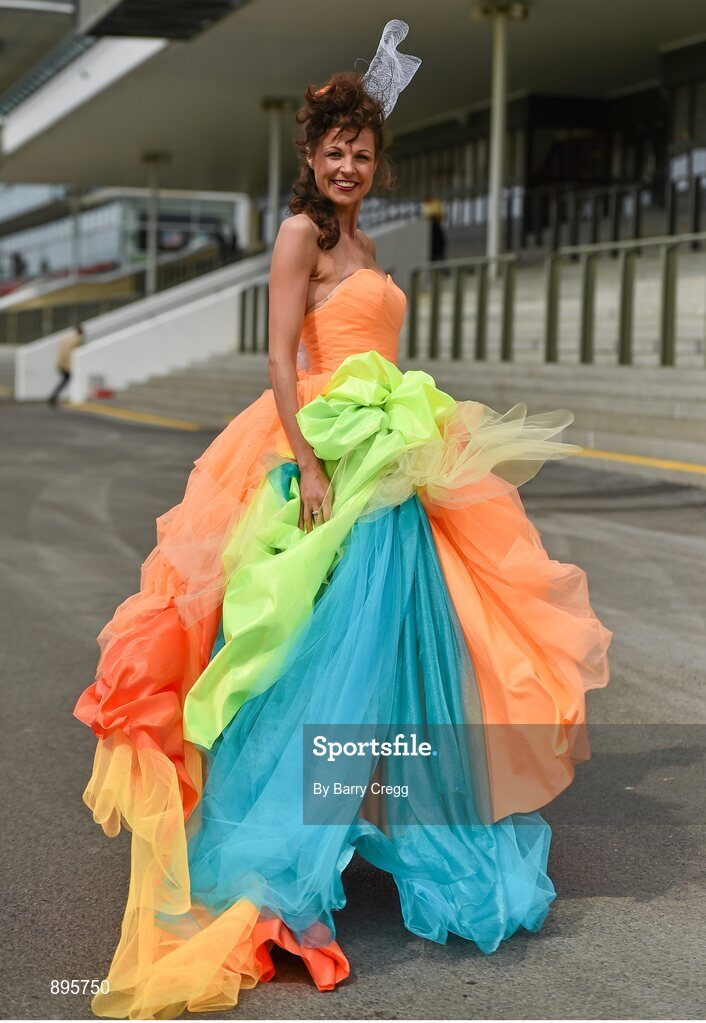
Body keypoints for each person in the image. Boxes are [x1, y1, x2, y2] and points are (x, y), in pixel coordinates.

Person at [73, 21, 611, 1021]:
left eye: (362, 152)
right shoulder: (300, 236)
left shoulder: (365, 240)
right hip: (322, 457)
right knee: (321, 657)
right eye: (334, 152)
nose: (349, 165)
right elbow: (280, 360)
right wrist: (311, 468)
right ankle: (291, 848)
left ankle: (390, 821)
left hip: (390, 463)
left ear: (376, 160)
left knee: (406, 652)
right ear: (310, 159)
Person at [48, 323, 84, 406]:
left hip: (61, 363)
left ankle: (54, 396)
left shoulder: (67, 337)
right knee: (66, 381)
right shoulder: (77, 339)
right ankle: (54, 397)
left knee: (64, 381)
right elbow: (72, 353)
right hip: (67, 365)